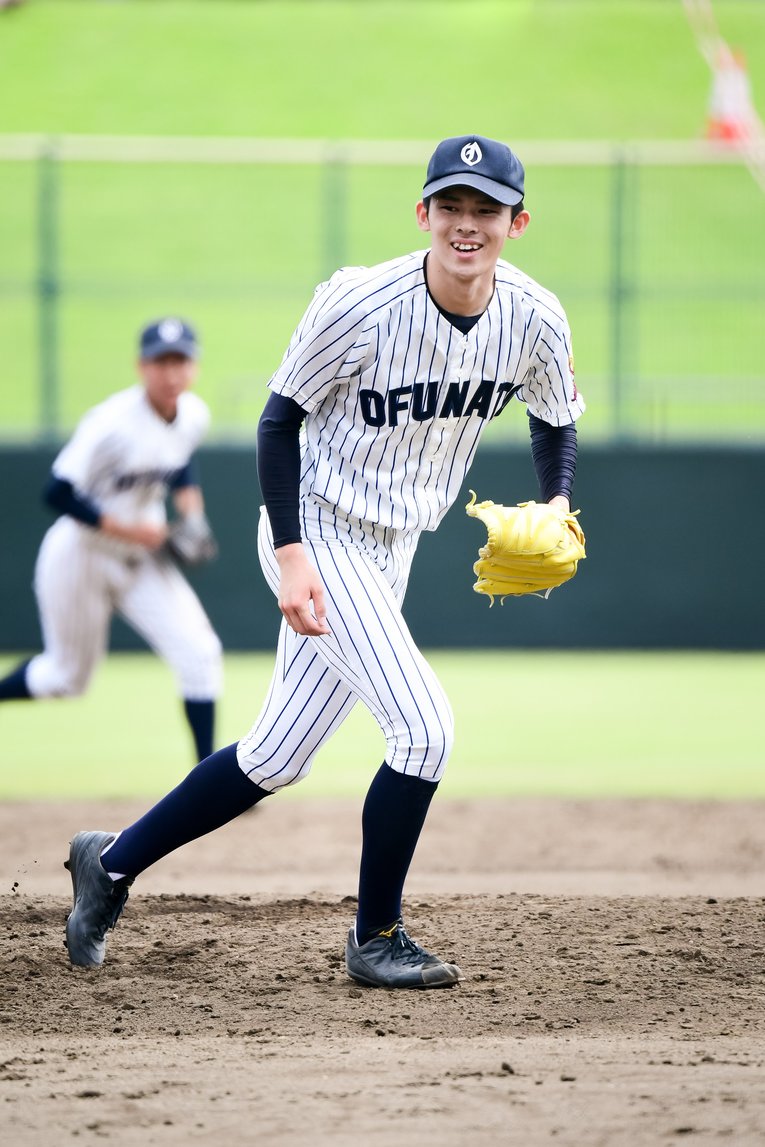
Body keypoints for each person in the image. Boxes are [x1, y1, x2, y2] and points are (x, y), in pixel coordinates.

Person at [63, 135, 585, 988]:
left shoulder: (534, 315)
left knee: (275, 755)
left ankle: (110, 864)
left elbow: (554, 414)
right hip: (317, 530)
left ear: (515, 223)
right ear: (422, 214)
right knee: (424, 728)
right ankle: (374, 935)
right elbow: (278, 423)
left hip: (395, 544)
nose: (465, 224)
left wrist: (555, 499)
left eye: (484, 209)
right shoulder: (359, 303)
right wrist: (293, 552)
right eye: (449, 206)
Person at [0, 317, 223, 764]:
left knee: (201, 654)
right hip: (81, 554)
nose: (172, 372)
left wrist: (192, 513)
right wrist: (129, 529)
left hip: (141, 558)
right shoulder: (111, 422)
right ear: (142, 366)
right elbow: (57, 491)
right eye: (161, 361)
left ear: (194, 367)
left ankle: (207, 781)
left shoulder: (193, 414)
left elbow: (179, 462)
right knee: (65, 678)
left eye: (181, 361)